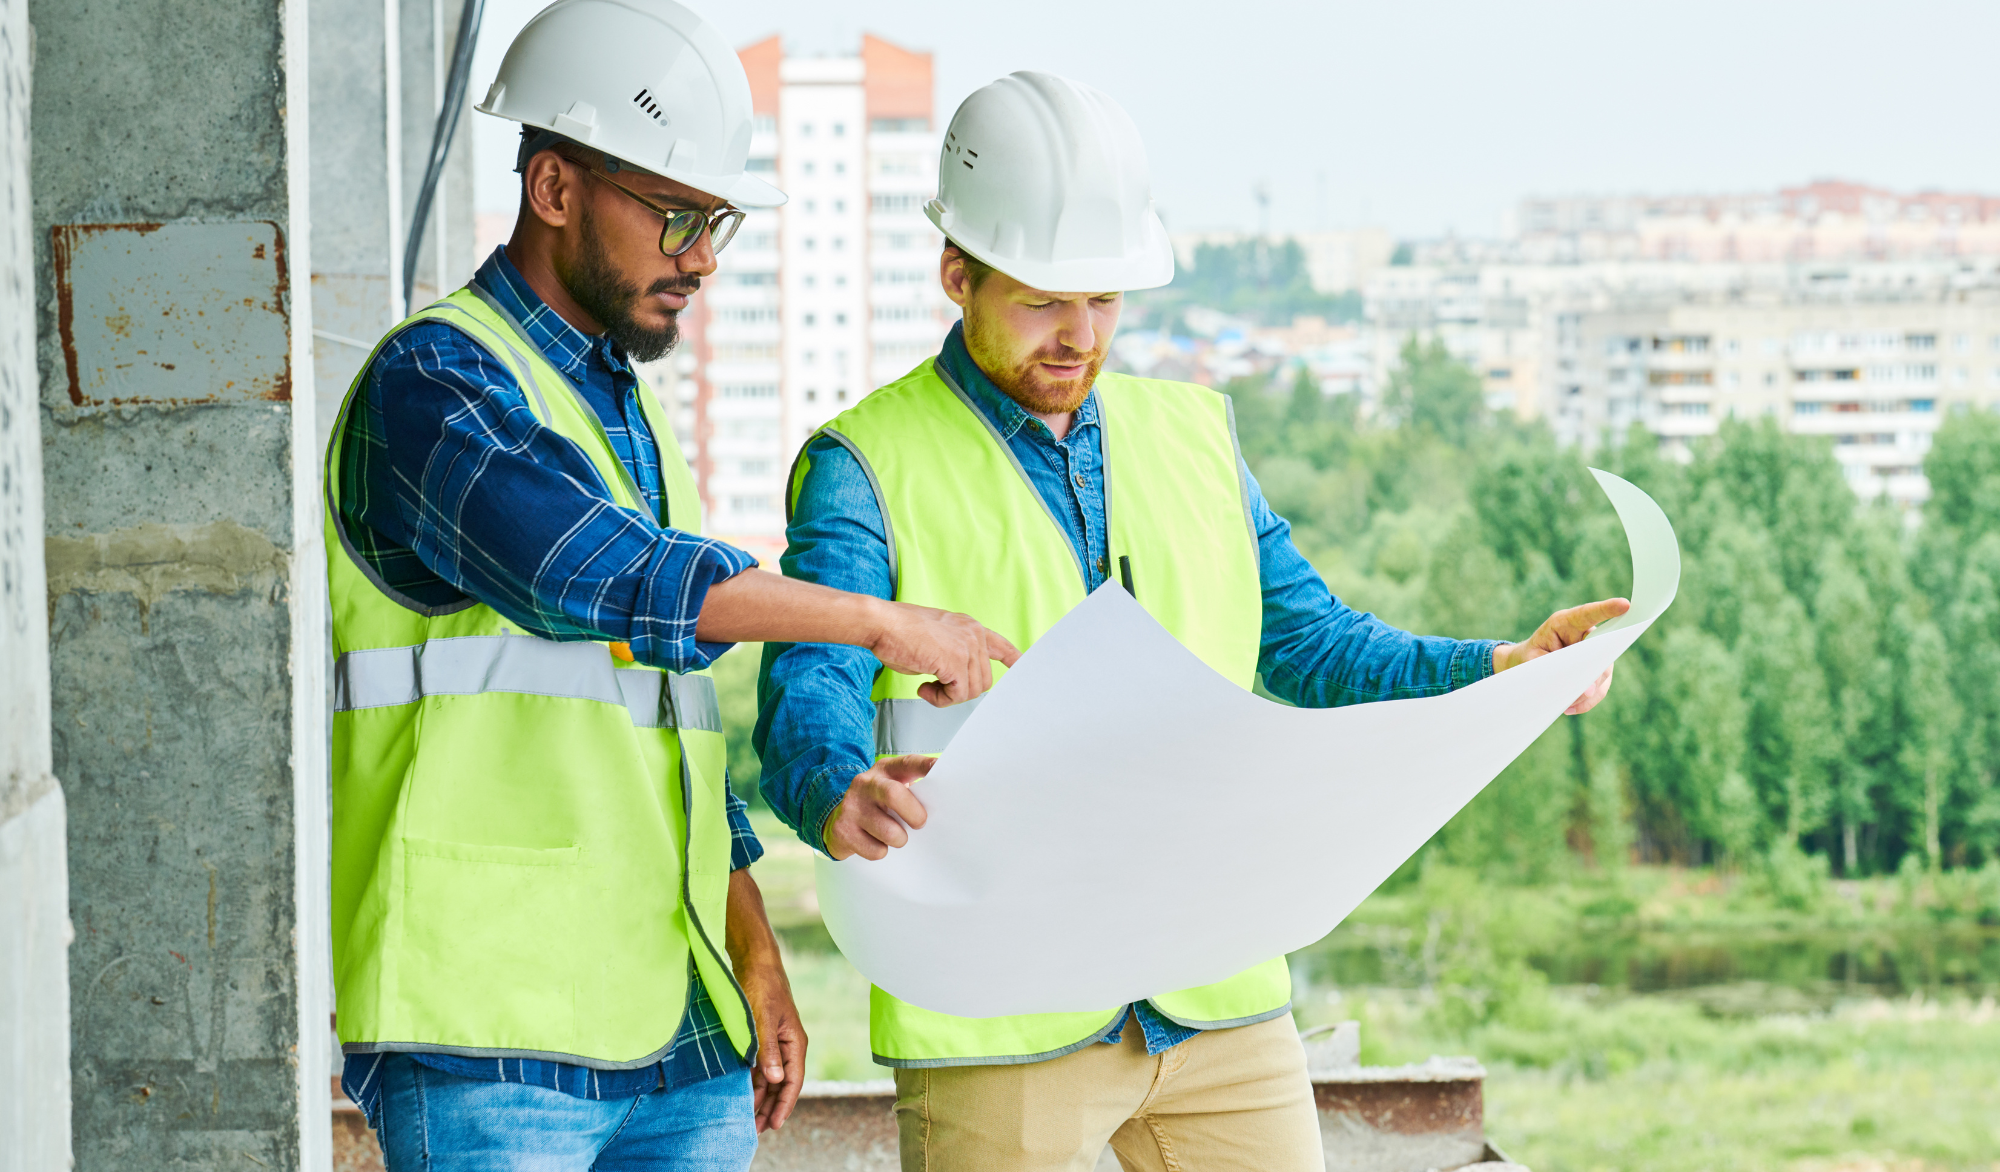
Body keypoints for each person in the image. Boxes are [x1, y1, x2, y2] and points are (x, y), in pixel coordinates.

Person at [756, 71, 1626, 1172]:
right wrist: (835, 785)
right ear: (955, 273)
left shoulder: (1195, 436)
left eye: (1105, 300)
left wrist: (1504, 667)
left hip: (1211, 987)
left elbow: (1311, 645)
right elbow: (808, 686)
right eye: (1040, 299)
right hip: (999, 997)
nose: (1078, 334)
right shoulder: (864, 464)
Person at [324, 3, 1015, 1168]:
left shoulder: (633, 418)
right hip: (491, 1032)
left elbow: (669, 739)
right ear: (554, 189)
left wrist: (753, 952)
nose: (700, 257)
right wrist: (883, 621)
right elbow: (603, 579)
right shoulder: (432, 385)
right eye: (678, 216)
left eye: (717, 223)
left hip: (676, 1027)